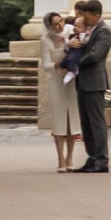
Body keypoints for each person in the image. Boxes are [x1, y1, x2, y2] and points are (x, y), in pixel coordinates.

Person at [60, 0, 111, 175]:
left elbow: (94, 55)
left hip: (94, 82)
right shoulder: (90, 30)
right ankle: (92, 157)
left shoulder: (104, 32)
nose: (84, 19)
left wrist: (74, 64)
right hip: (83, 81)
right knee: (86, 123)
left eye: (87, 16)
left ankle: (101, 159)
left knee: (96, 122)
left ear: (96, 15)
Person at [36, 11, 76, 172]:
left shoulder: (70, 32)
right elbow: (46, 64)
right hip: (56, 80)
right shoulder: (45, 40)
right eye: (55, 24)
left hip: (72, 79)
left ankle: (70, 157)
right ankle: (60, 158)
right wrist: (60, 61)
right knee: (60, 119)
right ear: (49, 26)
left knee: (72, 119)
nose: (59, 26)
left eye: (61, 21)